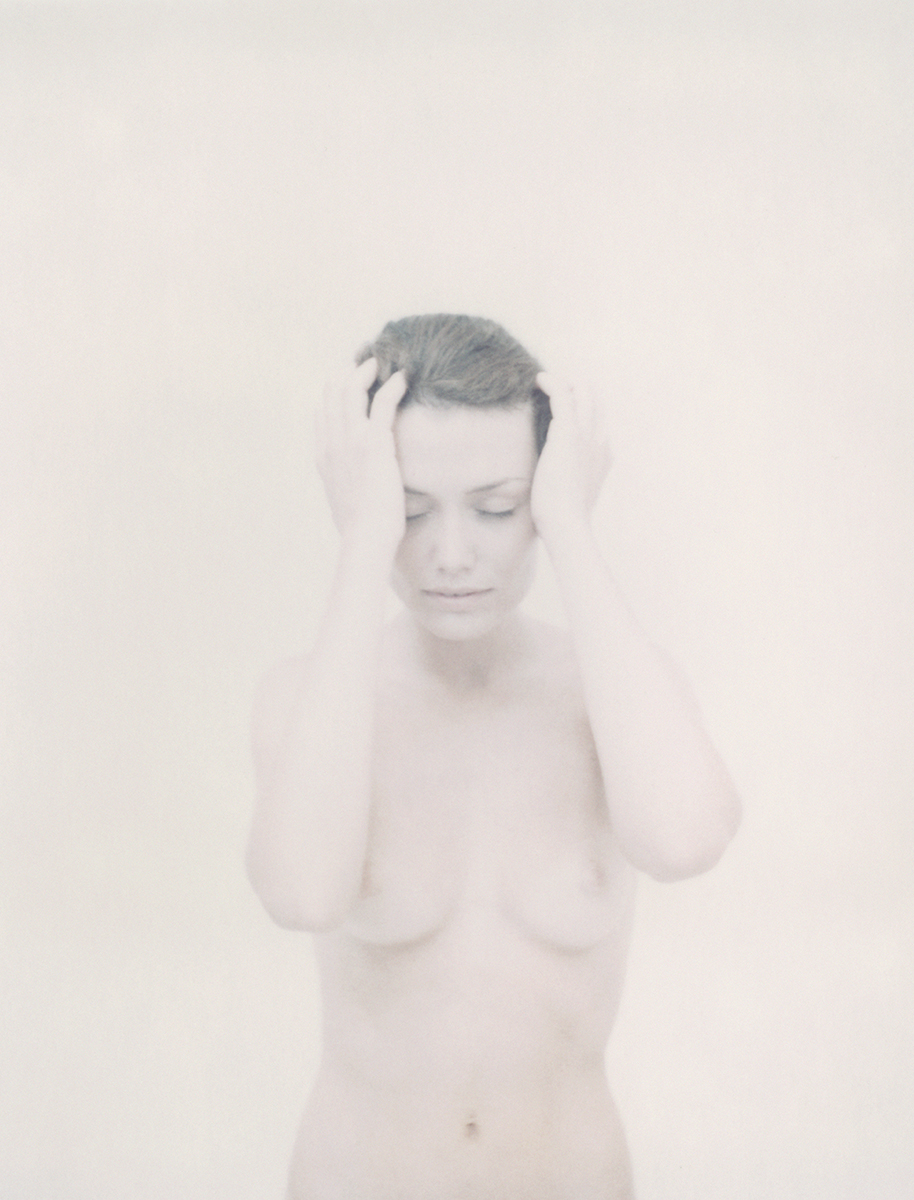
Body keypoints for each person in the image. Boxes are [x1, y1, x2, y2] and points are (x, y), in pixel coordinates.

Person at [246, 314, 741, 1199]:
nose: (452, 555)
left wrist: (571, 528)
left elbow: (684, 841)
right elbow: (304, 893)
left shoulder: (611, 693)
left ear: (544, 494)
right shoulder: (307, 699)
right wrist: (362, 544)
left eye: (498, 508)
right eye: (408, 511)